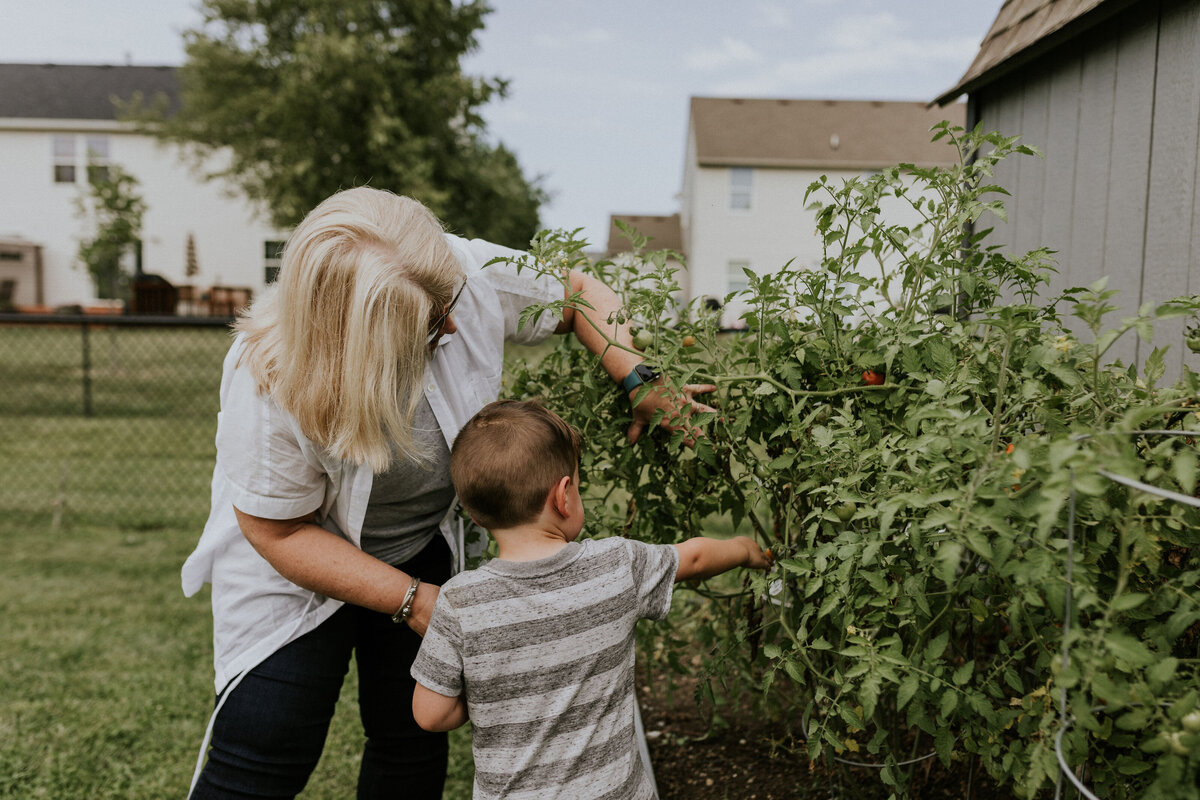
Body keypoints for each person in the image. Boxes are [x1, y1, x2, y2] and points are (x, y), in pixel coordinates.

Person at [180, 186, 715, 799]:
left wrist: (636, 375)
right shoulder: (268, 376)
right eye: (432, 321)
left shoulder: (453, 270)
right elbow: (277, 529)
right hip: (296, 560)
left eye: (448, 300)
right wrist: (414, 602)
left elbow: (576, 292)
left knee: (408, 739)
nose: (455, 322)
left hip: (418, 543)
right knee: (266, 741)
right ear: (359, 344)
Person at [411, 399, 770, 799]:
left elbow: (431, 714)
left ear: (475, 515)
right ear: (563, 496)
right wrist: (744, 549)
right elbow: (697, 557)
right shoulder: (616, 565)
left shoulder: (460, 601)